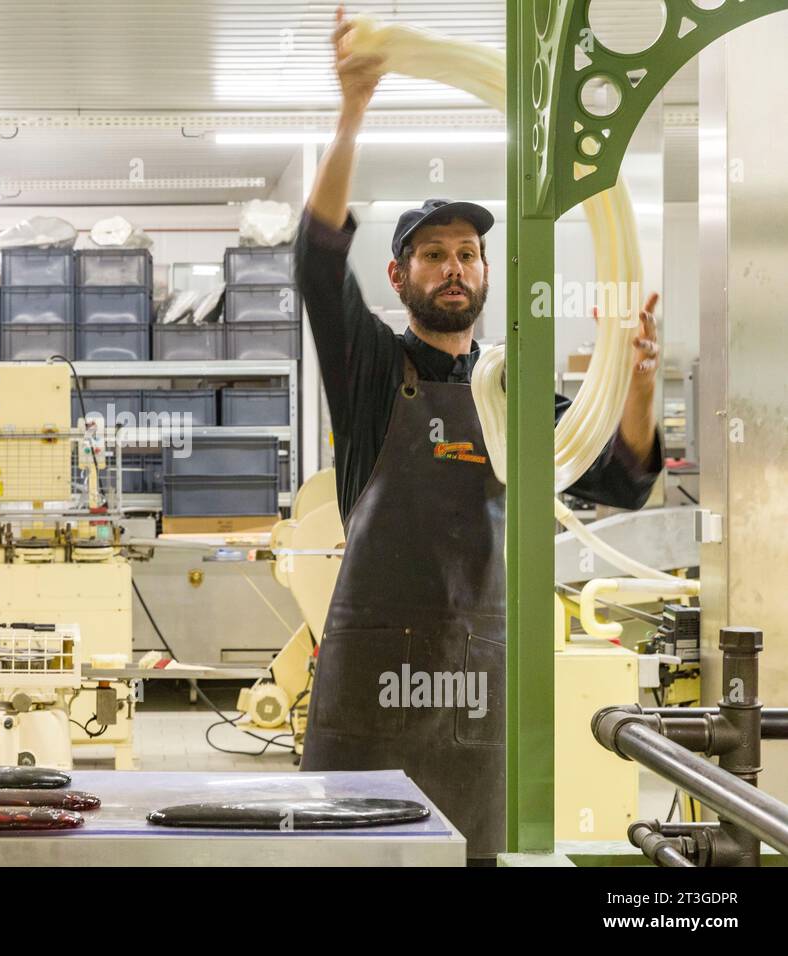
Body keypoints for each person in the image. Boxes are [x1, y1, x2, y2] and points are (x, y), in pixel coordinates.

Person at [295, 9, 663, 861]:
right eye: (432, 253)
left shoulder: (517, 390)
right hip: (369, 688)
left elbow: (619, 479)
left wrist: (638, 384)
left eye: (467, 252)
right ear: (400, 275)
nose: (453, 266)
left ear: (489, 273)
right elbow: (316, 264)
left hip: (481, 684)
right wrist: (353, 110)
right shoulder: (374, 373)